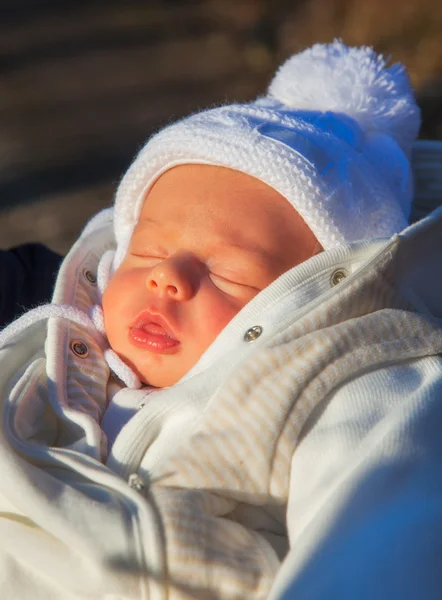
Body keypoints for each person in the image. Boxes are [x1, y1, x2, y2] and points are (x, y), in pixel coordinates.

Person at [1, 40, 442, 599]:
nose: (167, 277)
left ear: (320, 298)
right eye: (145, 251)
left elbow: (379, 545)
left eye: (231, 274)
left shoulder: (353, 381)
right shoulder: (41, 350)